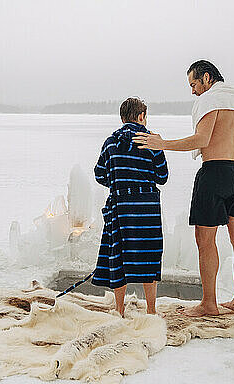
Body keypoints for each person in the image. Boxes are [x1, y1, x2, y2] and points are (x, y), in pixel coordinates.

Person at [133, 60, 234, 317]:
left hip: (216, 172)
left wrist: (161, 144)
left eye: (194, 84)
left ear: (207, 78)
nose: (193, 91)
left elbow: (202, 139)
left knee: (205, 239)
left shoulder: (210, 99)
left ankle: (209, 303)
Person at [92, 97, 169, 317]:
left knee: (119, 257)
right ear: (141, 116)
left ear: (123, 117)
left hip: (120, 208)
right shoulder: (152, 142)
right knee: (150, 257)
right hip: (147, 210)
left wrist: (117, 180)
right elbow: (162, 176)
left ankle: (119, 309)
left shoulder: (110, 142)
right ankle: (152, 310)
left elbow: (99, 174)